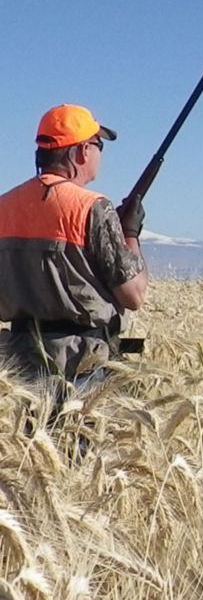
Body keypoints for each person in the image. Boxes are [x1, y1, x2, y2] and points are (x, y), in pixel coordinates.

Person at [0, 104, 148, 390]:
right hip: (80, 365)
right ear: (82, 151)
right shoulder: (91, 207)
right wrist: (130, 232)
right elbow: (134, 295)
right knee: (78, 434)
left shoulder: (4, 206)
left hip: (15, 365)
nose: (100, 155)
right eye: (98, 145)